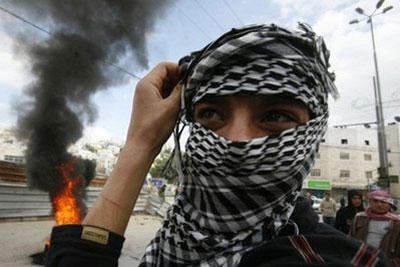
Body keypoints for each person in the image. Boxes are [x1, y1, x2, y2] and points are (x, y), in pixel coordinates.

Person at [46, 23, 390, 266]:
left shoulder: (319, 256)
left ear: (313, 132)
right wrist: (142, 141)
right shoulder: (175, 238)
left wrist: (139, 146)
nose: (236, 141)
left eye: (274, 116)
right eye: (211, 112)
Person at [350, 190, 400, 266]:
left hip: (384, 263)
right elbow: (351, 239)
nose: (379, 204)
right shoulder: (360, 217)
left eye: (383, 202)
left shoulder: (396, 222)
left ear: (389, 204)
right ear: (370, 202)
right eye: (375, 201)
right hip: (360, 261)